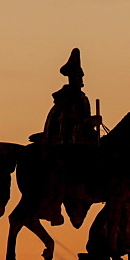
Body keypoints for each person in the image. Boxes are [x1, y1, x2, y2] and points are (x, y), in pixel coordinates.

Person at [39, 48, 101, 225]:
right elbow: (72, 121)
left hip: (82, 139)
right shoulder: (69, 99)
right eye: (77, 77)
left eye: (81, 78)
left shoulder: (80, 97)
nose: (80, 81)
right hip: (68, 142)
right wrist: (90, 121)